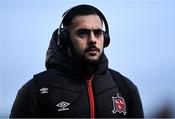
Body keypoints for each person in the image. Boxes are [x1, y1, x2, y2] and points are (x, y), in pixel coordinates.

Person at [10, 4, 144, 118]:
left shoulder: (125, 88)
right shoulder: (36, 90)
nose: (92, 39)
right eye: (83, 33)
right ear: (65, 39)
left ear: (106, 38)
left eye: (98, 33)